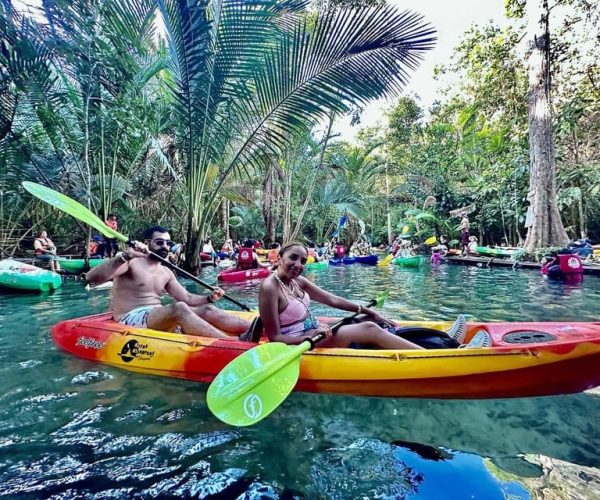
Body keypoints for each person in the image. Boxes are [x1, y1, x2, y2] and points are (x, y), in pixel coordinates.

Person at [258, 242, 491, 349]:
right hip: (303, 343)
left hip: (314, 330)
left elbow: (333, 300)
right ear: (279, 258)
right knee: (369, 330)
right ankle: (439, 359)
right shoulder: (270, 287)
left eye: (302, 260)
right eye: (293, 258)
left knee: (371, 321)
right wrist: (313, 334)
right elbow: (275, 337)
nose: (298, 264)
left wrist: (367, 309)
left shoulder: (298, 281)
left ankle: (443, 340)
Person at [86, 225, 251, 338]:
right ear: (147, 243)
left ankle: (259, 329)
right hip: (130, 317)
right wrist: (126, 255)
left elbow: (187, 297)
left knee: (207, 309)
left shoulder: (166, 271)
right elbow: (91, 278)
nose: (164, 246)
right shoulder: (131, 263)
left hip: (156, 316)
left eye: (167, 243)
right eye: (159, 242)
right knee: (179, 308)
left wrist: (210, 298)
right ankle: (232, 343)